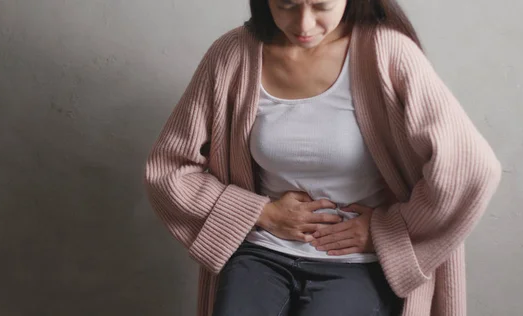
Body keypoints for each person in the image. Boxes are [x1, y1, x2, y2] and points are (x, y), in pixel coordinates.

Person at [145, 0, 502, 315]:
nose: (303, 24)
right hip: (261, 254)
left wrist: (388, 230)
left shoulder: (388, 53)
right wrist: (260, 212)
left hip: (356, 265)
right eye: (286, 4)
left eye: (321, 5)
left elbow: (470, 169)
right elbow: (169, 169)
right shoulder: (232, 56)